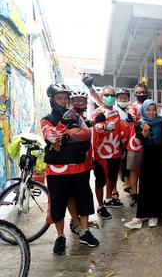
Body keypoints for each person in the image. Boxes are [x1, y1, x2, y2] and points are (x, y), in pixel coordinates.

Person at [41, 84, 99, 255]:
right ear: (52, 100)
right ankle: (60, 237)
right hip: (57, 170)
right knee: (58, 204)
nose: (64, 101)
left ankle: (84, 231)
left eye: (66, 97)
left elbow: (86, 133)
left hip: (78, 167)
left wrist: (68, 136)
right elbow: (52, 137)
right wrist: (64, 127)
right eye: (60, 98)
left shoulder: (76, 116)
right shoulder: (46, 119)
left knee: (84, 200)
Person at [124, 99, 162, 229]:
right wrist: (145, 130)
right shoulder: (139, 123)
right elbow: (141, 138)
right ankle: (139, 217)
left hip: (161, 157)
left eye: (153, 110)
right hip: (147, 157)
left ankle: (155, 215)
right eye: (148, 110)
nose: (151, 112)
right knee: (145, 186)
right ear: (144, 110)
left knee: (158, 186)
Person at [67, 90, 105, 234]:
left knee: (81, 191)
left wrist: (95, 121)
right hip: (74, 161)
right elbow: (77, 131)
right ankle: (74, 221)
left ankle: (78, 220)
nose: (79, 103)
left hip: (84, 160)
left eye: (82, 100)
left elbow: (85, 124)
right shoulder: (69, 115)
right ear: (71, 101)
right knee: (74, 193)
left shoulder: (79, 116)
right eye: (76, 100)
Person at [91, 86, 124, 220]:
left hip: (115, 152)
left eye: (112, 95)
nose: (109, 97)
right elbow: (96, 126)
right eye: (106, 95)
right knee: (100, 181)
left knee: (112, 178)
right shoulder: (98, 112)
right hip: (101, 154)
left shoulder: (116, 112)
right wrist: (104, 127)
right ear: (102, 96)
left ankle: (108, 199)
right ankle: (100, 206)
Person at [126, 83, 149, 206]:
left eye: (143, 92)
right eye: (138, 92)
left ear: (147, 93)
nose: (141, 94)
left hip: (149, 142)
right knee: (134, 170)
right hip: (135, 143)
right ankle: (134, 194)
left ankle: (145, 194)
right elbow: (131, 118)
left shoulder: (150, 105)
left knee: (146, 170)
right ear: (135, 94)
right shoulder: (133, 107)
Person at [114, 88, 133, 196]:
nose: (122, 99)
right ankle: (113, 190)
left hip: (127, 144)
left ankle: (127, 184)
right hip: (115, 143)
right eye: (120, 97)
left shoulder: (128, 111)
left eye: (125, 98)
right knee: (115, 168)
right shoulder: (114, 110)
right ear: (116, 99)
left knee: (125, 165)